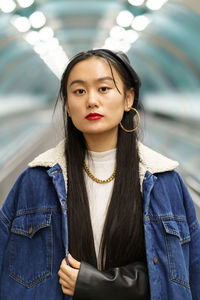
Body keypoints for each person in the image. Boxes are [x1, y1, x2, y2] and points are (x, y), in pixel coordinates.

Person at [0, 49, 199, 300]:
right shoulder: (36, 182)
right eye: (79, 91)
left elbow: (189, 273)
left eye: (104, 88)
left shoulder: (165, 183)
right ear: (68, 107)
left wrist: (100, 285)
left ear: (129, 98)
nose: (91, 100)